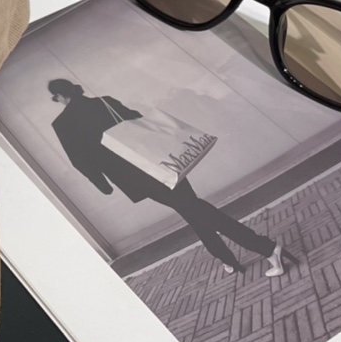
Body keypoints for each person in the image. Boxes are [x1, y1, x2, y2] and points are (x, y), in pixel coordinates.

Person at [47, 78, 289, 276]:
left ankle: (266, 248)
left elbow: (79, 160)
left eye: (55, 98)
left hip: (135, 176)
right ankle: (227, 258)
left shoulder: (63, 124)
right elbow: (138, 121)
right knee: (192, 209)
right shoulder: (104, 102)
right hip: (161, 163)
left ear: (59, 96)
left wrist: (103, 185)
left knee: (195, 210)